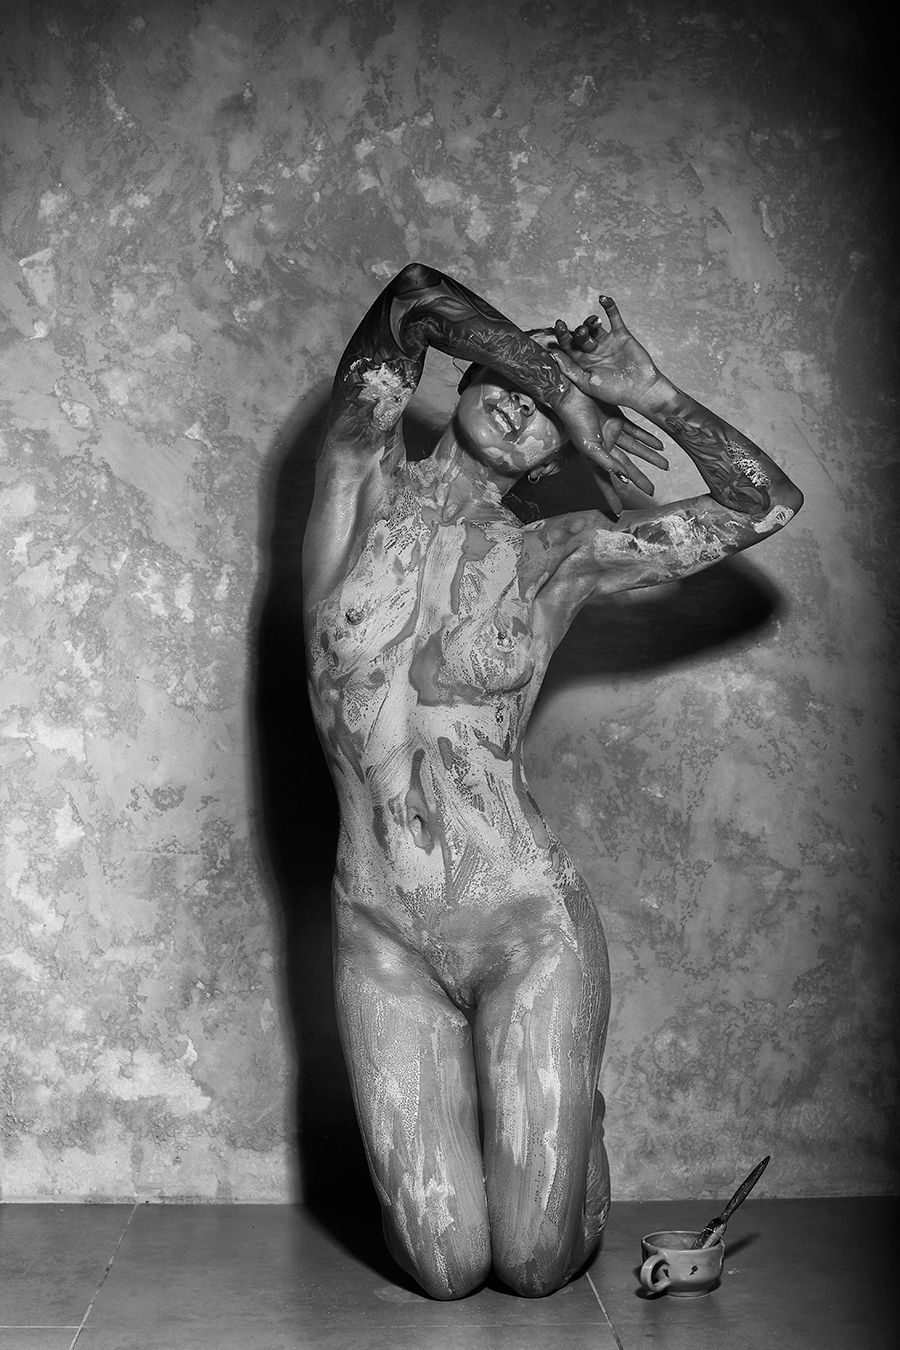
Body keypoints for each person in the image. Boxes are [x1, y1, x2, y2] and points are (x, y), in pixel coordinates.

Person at [302, 263, 802, 1300]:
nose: (525, 406)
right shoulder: (358, 479)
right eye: (513, 377)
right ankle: (547, 1133)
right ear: (470, 373)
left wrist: (652, 396)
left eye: (550, 413)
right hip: (380, 930)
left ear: (559, 458)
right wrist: (568, 391)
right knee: (444, 1268)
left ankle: (575, 1123)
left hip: (525, 920)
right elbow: (413, 299)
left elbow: (763, 505)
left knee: (534, 1264)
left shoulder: (557, 558)